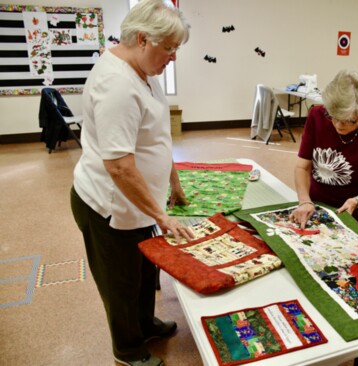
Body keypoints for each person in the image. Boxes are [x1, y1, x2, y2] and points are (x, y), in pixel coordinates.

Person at [70, 1, 194, 365]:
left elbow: (154, 138)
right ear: (143, 39)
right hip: (110, 207)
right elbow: (120, 167)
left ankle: (145, 323)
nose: (172, 57)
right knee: (121, 284)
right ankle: (127, 350)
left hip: (138, 205)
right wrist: (163, 215)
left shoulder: (143, 72)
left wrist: (172, 182)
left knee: (143, 271)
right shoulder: (117, 85)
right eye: (169, 47)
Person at [290, 70, 358, 234]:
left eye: (350, 121)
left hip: (356, 212)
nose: (339, 125)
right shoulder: (317, 116)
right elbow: (302, 167)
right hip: (316, 206)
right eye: (333, 116)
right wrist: (305, 201)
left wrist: (357, 201)